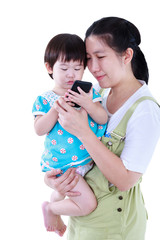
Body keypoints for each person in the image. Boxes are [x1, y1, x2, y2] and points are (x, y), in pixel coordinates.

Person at [44, 17, 160, 239]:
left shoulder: (146, 111)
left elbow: (125, 181)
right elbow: (69, 148)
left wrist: (84, 132)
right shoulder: (99, 92)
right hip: (81, 222)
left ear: (126, 55)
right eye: (88, 58)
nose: (93, 67)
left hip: (114, 228)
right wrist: (54, 179)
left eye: (100, 56)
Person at [32, 34, 108, 236]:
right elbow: (39, 129)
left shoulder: (88, 92)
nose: (71, 75)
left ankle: (53, 212)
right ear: (50, 68)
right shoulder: (45, 99)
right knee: (87, 204)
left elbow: (102, 118)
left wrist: (89, 104)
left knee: (59, 195)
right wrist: (55, 110)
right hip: (64, 166)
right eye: (64, 69)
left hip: (87, 162)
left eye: (77, 68)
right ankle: (50, 209)